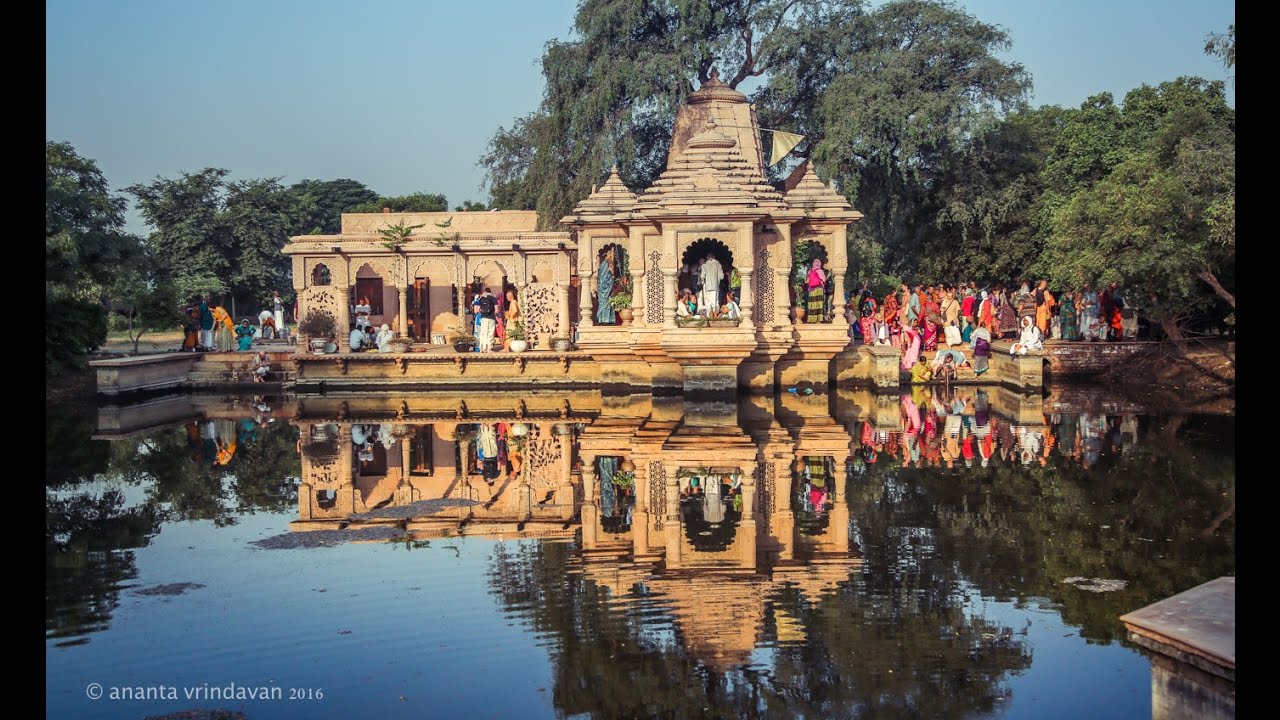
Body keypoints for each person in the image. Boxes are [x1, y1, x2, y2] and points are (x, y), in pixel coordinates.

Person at [596, 249, 616, 325]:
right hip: (604, 288)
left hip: (605, 288)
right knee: (605, 302)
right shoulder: (606, 263)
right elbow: (603, 278)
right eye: (612, 254)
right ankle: (604, 319)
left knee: (607, 303)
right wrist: (612, 278)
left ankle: (606, 319)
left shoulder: (605, 264)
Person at [476, 287, 498, 352]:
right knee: (490, 333)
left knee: (483, 332)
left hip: (483, 318)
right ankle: (489, 348)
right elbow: (496, 310)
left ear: (485, 292)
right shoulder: (493, 299)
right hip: (491, 318)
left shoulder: (481, 299)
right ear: (490, 292)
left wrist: (482, 311)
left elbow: (477, 310)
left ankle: (482, 348)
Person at [806, 259, 827, 323]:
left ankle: (811, 319)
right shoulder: (820, 271)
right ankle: (818, 319)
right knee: (818, 303)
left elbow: (807, 281)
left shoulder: (810, 271)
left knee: (812, 303)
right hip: (819, 289)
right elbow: (824, 280)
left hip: (811, 289)